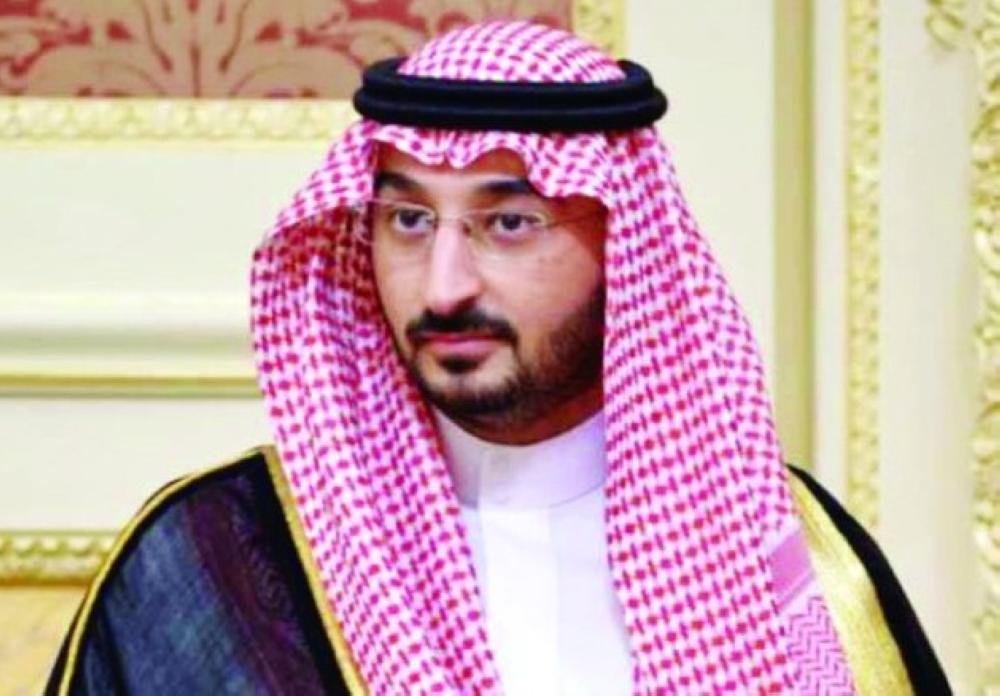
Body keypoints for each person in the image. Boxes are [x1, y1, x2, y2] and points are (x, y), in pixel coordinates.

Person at [47, 20, 949, 695]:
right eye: (409, 220)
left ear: (624, 244)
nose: (444, 287)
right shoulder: (215, 562)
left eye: (509, 223)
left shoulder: (788, 559)